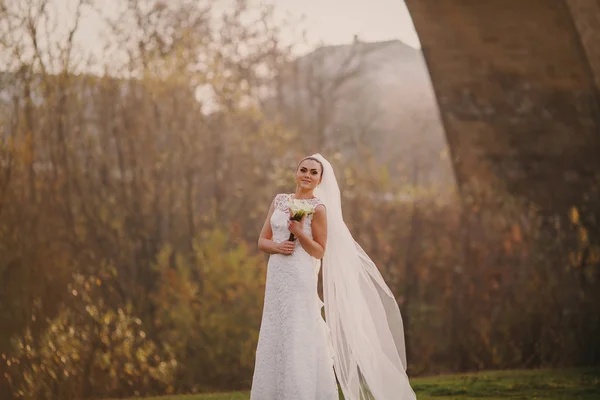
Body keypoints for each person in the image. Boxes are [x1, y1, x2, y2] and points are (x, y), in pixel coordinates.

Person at [250, 154, 417, 400]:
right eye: (303, 170)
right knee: (276, 328)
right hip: (277, 277)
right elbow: (262, 240)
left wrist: (299, 233)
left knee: (299, 330)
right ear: (296, 173)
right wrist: (277, 247)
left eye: (313, 172)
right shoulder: (279, 201)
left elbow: (320, 250)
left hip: (300, 276)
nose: (307, 175)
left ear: (319, 179)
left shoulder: (318, 208)